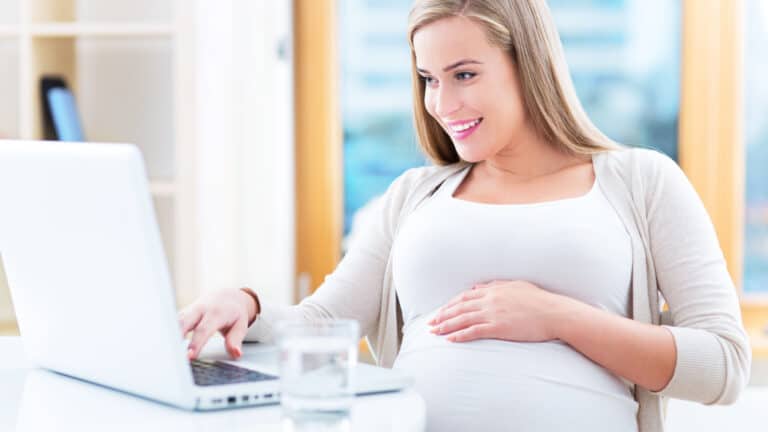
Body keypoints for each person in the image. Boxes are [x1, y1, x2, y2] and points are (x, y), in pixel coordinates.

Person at [178, 1, 751, 431]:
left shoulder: (642, 181)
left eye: (465, 74)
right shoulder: (413, 196)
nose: (442, 104)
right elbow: (323, 322)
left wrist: (556, 316)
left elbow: (723, 367)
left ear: (528, 66)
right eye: (429, 79)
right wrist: (247, 307)